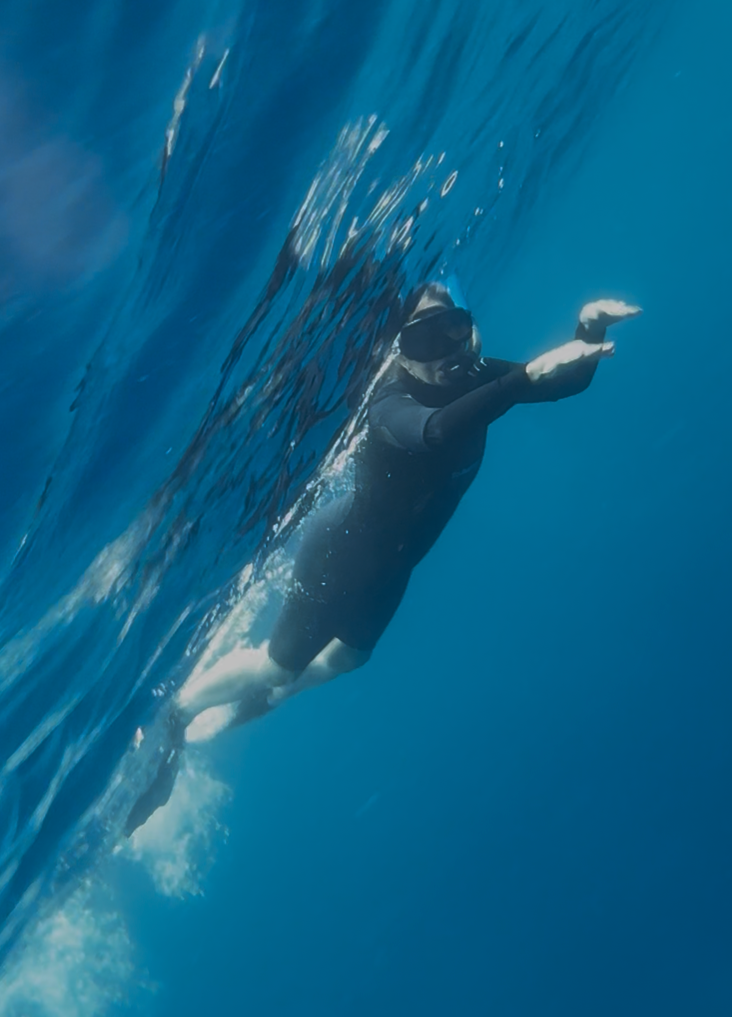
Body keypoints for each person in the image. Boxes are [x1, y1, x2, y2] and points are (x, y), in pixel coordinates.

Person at [124, 286, 638, 833]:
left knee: (349, 660)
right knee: (281, 662)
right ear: (399, 350)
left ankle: (270, 695)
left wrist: (589, 328)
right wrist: (521, 380)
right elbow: (433, 433)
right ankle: (177, 714)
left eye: (453, 329)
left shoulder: (477, 375)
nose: (443, 351)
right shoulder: (390, 401)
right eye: (422, 338)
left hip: (395, 566)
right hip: (340, 552)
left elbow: (568, 380)